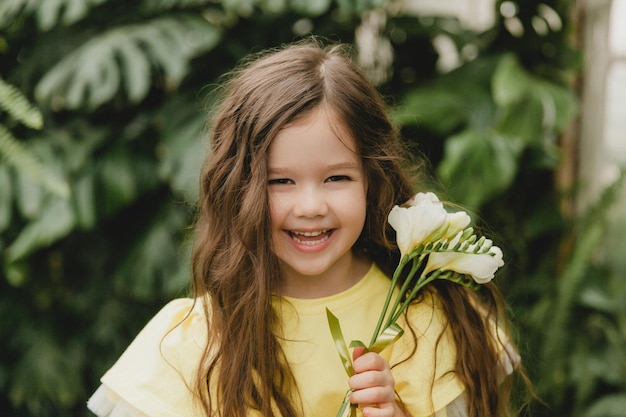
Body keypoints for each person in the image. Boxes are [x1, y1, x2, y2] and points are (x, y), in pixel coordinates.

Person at [87, 40, 524, 417]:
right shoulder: (197, 342)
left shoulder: (427, 321)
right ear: (239, 188)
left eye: (336, 178)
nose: (311, 206)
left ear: (372, 180)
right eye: (280, 181)